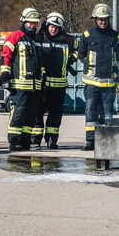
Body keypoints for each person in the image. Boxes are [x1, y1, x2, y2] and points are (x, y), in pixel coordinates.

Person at [76, 3, 119, 151]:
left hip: (109, 83)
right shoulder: (87, 36)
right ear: (95, 19)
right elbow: (81, 55)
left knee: (108, 114)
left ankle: (107, 141)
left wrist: (117, 83)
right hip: (92, 83)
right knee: (90, 110)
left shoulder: (116, 37)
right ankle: (91, 141)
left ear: (109, 19)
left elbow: (118, 57)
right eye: (100, 19)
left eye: (105, 19)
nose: (103, 22)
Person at [1, 8, 44, 151]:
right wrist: (5, 77)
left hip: (35, 86)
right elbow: (5, 57)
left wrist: (41, 82)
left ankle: (26, 141)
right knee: (18, 114)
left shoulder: (37, 40)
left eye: (35, 23)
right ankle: (14, 141)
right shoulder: (15, 37)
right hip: (19, 86)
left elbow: (41, 64)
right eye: (30, 23)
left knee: (31, 116)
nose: (33, 25)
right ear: (23, 21)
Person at [32, 12, 76, 150]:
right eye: (51, 26)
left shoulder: (67, 39)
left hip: (59, 85)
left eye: (56, 27)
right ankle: (35, 141)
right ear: (47, 25)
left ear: (61, 27)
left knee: (55, 115)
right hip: (42, 84)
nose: (53, 29)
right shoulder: (39, 38)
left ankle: (52, 140)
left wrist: (72, 58)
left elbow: (80, 49)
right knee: (38, 114)